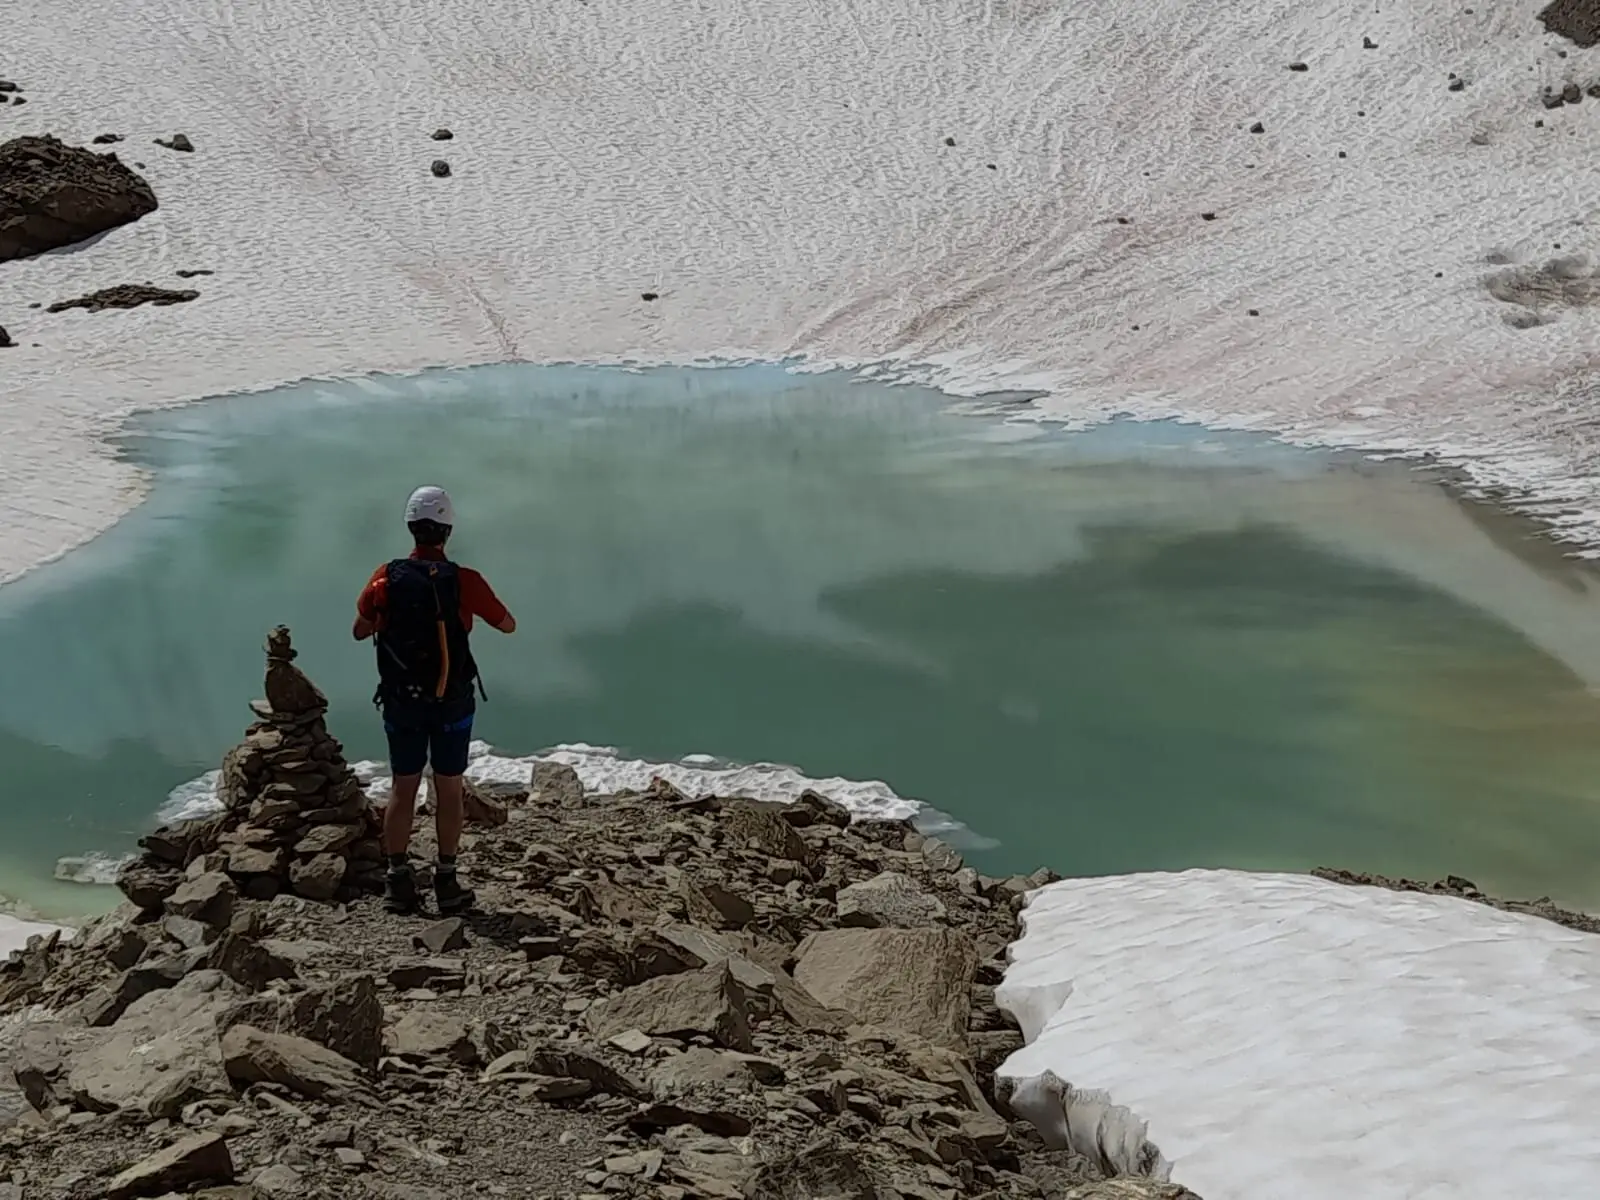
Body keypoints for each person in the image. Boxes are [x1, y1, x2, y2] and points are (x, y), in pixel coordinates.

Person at [352, 486, 516, 914]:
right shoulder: (464, 580)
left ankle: (398, 880)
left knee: (402, 788)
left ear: (411, 527)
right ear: (447, 530)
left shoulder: (385, 577)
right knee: (449, 788)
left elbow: (359, 629)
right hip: (452, 702)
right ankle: (446, 881)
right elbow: (507, 625)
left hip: (402, 700)